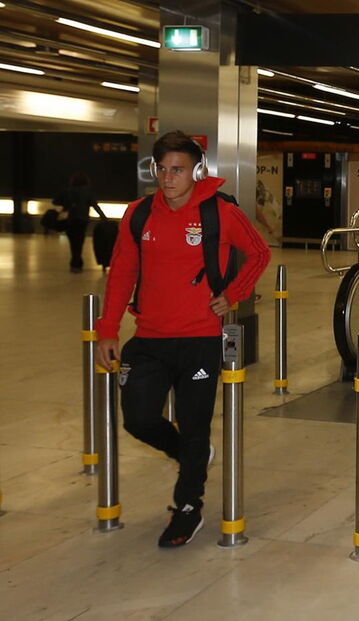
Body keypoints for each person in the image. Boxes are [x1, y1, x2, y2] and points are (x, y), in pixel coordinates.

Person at [94, 131, 270, 548]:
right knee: (137, 419)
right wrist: (107, 329)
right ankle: (191, 456)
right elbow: (121, 274)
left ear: (197, 170)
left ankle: (188, 506)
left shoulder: (220, 213)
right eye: (162, 169)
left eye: (178, 169)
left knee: (195, 427)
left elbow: (259, 253)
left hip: (200, 340)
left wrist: (234, 294)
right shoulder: (138, 215)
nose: (169, 177)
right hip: (150, 337)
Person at [52, 173, 107, 272]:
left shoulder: (68, 191)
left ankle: (75, 263)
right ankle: (77, 263)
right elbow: (95, 205)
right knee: (79, 241)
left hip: (70, 219)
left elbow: (55, 201)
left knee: (73, 242)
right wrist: (104, 218)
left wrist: (66, 205)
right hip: (82, 220)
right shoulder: (88, 192)